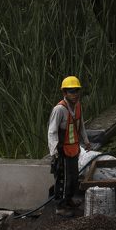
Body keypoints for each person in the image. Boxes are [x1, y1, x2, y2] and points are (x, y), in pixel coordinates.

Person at [48, 75, 91, 216]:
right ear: (64, 93)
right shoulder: (59, 109)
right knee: (62, 178)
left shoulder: (78, 106)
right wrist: (53, 151)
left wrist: (86, 140)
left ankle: (69, 199)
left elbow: (81, 125)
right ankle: (60, 207)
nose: (75, 94)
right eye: (71, 91)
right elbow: (52, 131)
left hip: (74, 149)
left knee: (73, 177)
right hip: (62, 150)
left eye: (76, 91)